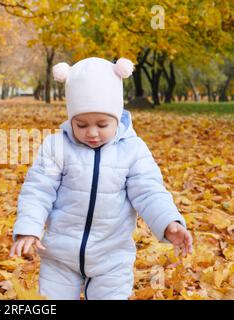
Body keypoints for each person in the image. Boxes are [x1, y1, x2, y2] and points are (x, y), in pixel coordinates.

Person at [10, 57, 193, 300]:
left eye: (102, 124)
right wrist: (29, 228)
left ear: (117, 117)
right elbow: (38, 190)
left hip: (112, 258)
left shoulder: (133, 150)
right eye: (81, 124)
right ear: (70, 118)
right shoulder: (56, 146)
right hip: (60, 258)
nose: (92, 132)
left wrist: (168, 222)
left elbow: (149, 192)